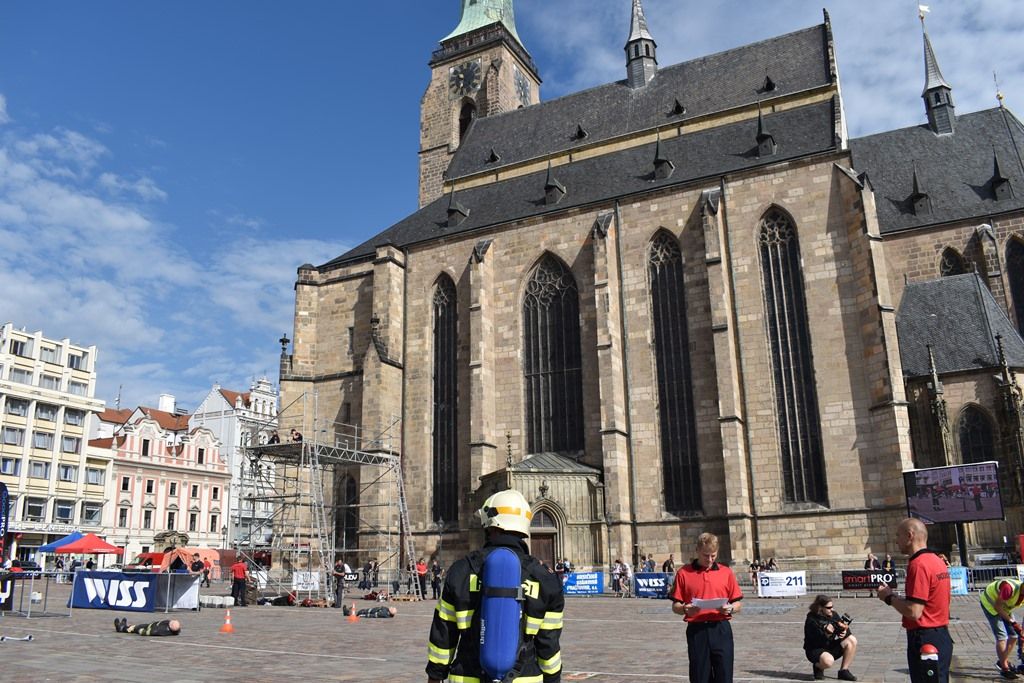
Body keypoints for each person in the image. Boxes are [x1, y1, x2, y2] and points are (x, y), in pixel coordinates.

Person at [425, 488, 563, 683]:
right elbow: (549, 644)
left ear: (490, 525)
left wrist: (435, 676)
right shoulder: (545, 578)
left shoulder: (462, 570)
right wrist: (553, 678)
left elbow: (444, 634)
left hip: (467, 677)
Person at [877, 518, 952, 683]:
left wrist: (888, 597)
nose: (896, 541)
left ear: (909, 536)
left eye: (898, 536)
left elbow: (914, 611)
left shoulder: (918, 565)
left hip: (925, 638)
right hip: (941, 635)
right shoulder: (937, 561)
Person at [671, 532, 743, 683]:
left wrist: (730, 608)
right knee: (699, 676)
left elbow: (738, 604)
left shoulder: (726, 572)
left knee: (724, 674)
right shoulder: (684, 573)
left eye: (713, 555)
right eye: (706, 555)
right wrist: (685, 609)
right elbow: (675, 605)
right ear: (697, 550)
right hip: (697, 630)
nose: (710, 559)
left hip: (721, 629)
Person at [803, 594, 858, 680]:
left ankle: (844, 671)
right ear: (820, 607)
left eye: (832, 606)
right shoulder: (811, 618)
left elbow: (843, 627)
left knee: (852, 640)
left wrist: (844, 632)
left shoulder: (833, 614)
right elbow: (817, 637)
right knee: (828, 661)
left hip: (829, 645)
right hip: (815, 649)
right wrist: (825, 630)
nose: (832, 609)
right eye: (829, 608)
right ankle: (818, 667)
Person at [979, 577, 1024, 678]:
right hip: (990, 604)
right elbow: (997, 607)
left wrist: (1021, 632)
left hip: (1004, 607)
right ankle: (1004, 668)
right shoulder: (1008, 588)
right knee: (1002, 637)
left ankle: (1002, 660)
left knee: (1014, 636)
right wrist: (1013, 622)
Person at [114, 618, 181, 636]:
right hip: (150, 625)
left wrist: (142, 631)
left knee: (135, 628)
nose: (171, 621)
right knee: (134, 627)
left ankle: (121, 628)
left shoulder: (162, 630)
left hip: (147, 628)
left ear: (170, 626)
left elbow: (152, 632)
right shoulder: (175, 629)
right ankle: (125, 626)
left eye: (171, 622)